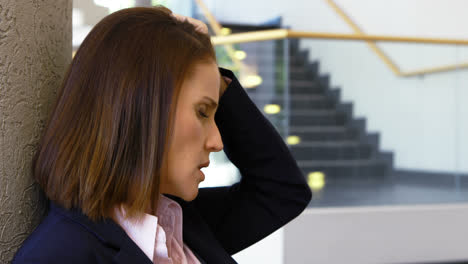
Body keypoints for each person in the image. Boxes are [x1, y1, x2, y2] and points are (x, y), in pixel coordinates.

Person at [12, 6, 311, 264]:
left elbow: (283, 190)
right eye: (203, 112)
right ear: (138, 107)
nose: (217, 142)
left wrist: (211, 78)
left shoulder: (179, 224)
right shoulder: (60, 255)